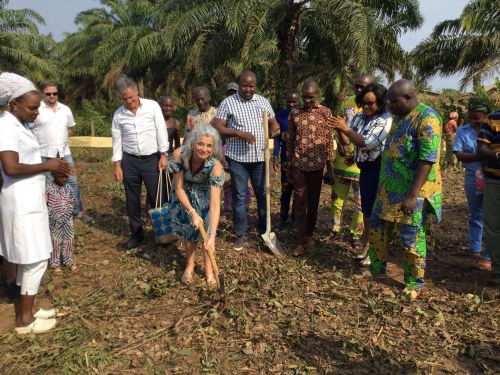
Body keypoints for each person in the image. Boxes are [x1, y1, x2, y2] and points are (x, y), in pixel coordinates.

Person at [0, 72, 71, 333]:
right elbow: (9, 167)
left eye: (38, 107)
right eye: (32, 108)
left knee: (33, 256)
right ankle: (24, 320)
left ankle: (29, 309)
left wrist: (51, 170)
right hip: (20, 202)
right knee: (36, 258)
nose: (36, 112)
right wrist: (47, 165)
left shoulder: (20, 126)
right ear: (13, 104)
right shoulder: (6, 127)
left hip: (29, 199)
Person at [366, 80, 442, 298]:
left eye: (393, 101)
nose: (389, 106)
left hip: (412, 191)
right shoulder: (398, 118)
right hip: (388, 188)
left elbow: (426, 160)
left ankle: (413, 282)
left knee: (411, 237)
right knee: (377, 228)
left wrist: (413, 195)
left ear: (408, 98)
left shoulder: (427, 118)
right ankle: (377, 270)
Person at [212, 70, 280, 251]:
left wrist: (274, 128)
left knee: (262, 194)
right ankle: (240, 234)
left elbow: (273, 122)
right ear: (239, 85)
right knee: (240, 196)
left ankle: (264, 230)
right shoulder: (228, 102)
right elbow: (217, 125)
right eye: (244, 85)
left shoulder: (263, 101)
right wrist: (238, 133)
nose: (248, 89)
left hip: (259, 157)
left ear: (255, 86)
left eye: (251, 86)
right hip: (238, 158)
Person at [332, 83, 392, 266]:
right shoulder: (360, 117)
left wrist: (346, 129)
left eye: (370, 104)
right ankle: (367, 245)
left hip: (378, 169)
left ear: (381, 103)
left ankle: (374, 251)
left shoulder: (385, 121)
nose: (366, 107)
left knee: (373, 211)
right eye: (364, 103)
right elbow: (347, 139)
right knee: (367, 209)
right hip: (364, 168)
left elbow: (366, 143)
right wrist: (340, 129)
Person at [111, 76, 168, 249]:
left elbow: (161, 130)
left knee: (158, 197)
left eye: (131, 97)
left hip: (152, 160)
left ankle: (163, 233)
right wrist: (117, 164)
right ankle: (137, 234)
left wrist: (164, 154)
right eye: (125, 99)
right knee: (132, 200)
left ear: (137, 92)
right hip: (130, 161)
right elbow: (117, 139)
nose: (129, 101)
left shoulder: (152, 106)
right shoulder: (118, 114)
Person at [169, 124, 225, 287]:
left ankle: (209, 272)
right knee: (189, 232)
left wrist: (213, 236)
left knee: (206, 235)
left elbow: (215, 205)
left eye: (209, 145)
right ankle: (190, 266)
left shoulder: (215, 166)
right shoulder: (180, 155)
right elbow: (178, 187)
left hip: (205, 196)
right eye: (200, 144)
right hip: (184, 194)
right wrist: (192, 211)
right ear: (192, 143)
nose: (204, 149)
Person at [285, 80, 335, 256]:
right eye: (305, 97)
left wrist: (330, 167)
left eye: (311, 97)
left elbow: (329, 141)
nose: (307, 100)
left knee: (313, 203)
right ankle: (300, 238)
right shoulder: (295, 114)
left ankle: (309, 234)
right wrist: (288, 164)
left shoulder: (325, 113)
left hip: (317, 166)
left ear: (317, 96)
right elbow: (290, 141)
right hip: (299, 165)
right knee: (299, 201)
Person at [31, 80, 92, 223]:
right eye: (48, 93)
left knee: (73, 182)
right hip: (44, 154)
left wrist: (63, 137)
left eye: (54, 93)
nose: (52, 96)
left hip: (64, 153)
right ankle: (52, 215)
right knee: (48, 185)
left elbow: (71, 127)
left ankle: (77, 212)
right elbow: (29, 129)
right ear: (43, 94)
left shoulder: (65, 109)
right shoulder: (36, 110)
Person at [331, 75, 373, 250]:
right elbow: (339, 125)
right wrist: (340, 142)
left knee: (359, 201)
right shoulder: (347, 102)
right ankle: (334, 228)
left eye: (363, 87)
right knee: (337, 196)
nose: (359, 90)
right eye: (357, 86)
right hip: (342, 159)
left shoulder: (373, 108)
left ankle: (356, 233)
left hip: (361, 161)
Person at [451, 98, 492, 271]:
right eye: (471, 117)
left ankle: (489, 255)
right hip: (472, 176)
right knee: (476, 214)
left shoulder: (493, 129)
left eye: (478, 118)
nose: (474, 121)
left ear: (486, 116)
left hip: (492, 176)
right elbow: (459, 154)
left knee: (492, 217)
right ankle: (475, 249)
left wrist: (479, 155)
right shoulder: (463, 130)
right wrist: (482, 155)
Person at [477, 109, 500, 287]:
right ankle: (498, 270)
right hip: (495, 180)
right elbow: (482, 149)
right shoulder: (493, 118)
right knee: (493, 226)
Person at [272, 89, 299, 229]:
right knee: (285, 189)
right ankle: (283, 218)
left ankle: (295, 218)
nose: (292, 104)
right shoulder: (280, 115)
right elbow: (276, 139)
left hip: (301, 161)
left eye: (295, 102)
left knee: (298, 190)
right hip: (285, 161)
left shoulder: (303, 115)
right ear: (286, 101)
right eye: (289, 101)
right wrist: (275, 156)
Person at [46, 170, 77, 274]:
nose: (64, 179)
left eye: (66, 176)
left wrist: (69, 214)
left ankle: (68, 260)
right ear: (53, 175)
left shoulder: (68, 188)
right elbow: (46, 204)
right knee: (55, 242)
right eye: (61, 176)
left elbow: (72, 201)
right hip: (54, 221)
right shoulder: (49, 188)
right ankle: (55, 263)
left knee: (69, 241)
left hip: (68, 220)